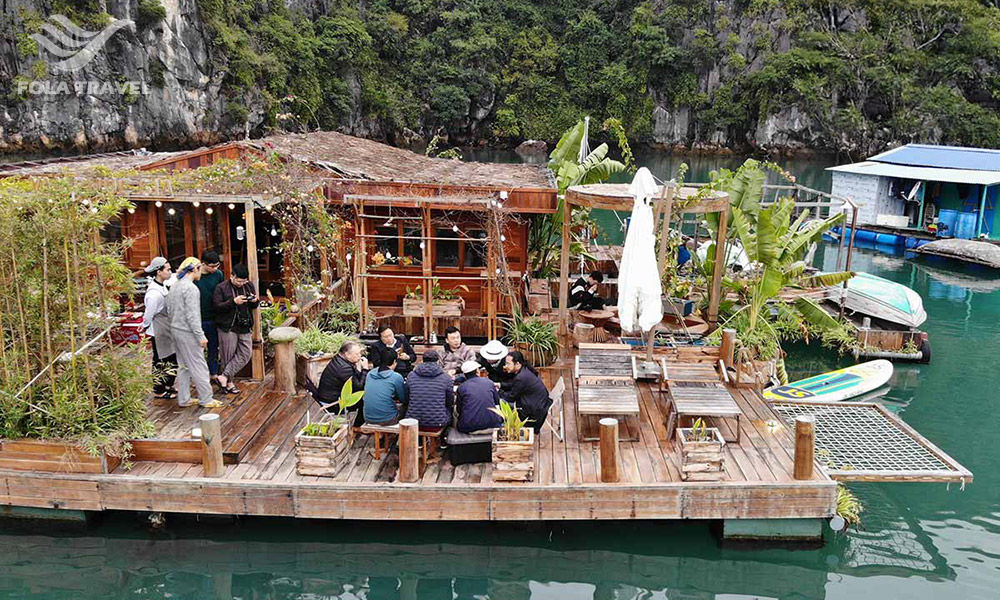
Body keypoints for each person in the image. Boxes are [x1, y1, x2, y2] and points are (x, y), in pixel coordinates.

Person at [167, 257, 221, 408]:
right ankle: (206, 399)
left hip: (175, 330)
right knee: (199, 365)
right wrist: (200, 336)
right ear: (195, 269)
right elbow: (193, 316)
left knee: (183, 366)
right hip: (188, 332)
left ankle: (184, 399)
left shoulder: (175, 286)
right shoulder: (191, 289)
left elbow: (169, 311)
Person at [213, 263, 259, 395]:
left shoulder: (248, 286)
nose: (241, 284)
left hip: (244, 324)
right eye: (239, 281)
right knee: (228, 354)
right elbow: (217, 307)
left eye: (244, 281)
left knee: (246, 353)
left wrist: (254, 301)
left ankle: (224, 376)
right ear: (232, 276)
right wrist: (233, 302)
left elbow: (255, 305)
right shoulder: (221, 288)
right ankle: (229, 382)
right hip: (228, 326)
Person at [140, 257, 176, 399]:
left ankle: (167, 384)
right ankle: (159, 389)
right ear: (159, 272)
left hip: (165, 327)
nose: (170, 271)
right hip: (158, 329)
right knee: (160, 360)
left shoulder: (162, 286)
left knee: (170, 358)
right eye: (167, 269)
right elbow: (149, 314)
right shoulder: (153, 293)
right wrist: (144, 326)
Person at [317, 340, 370, 422]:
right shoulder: (344, 368)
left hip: (328, 397)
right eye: (357, 354)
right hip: (333, 404)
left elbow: (354, 378)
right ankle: (357, 425)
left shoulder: (339, 359)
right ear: (347, 354)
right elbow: (359, 387)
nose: (359, 356)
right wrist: (365, 369)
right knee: (366, 399)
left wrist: (358, 367)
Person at [500, 350, 551, 432]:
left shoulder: (521, 378)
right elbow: (515, 385)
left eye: (508, 364)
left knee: (501, 402)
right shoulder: (525, 370)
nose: (506, 366)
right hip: (541, 403)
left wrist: (499, 392)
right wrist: (500, 385)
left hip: (533, 412)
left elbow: (511, 397)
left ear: (517, 364)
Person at [194, 250, 224, 386]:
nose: (215, 269)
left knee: (213, 346)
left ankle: (214, 373)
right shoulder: (195, 276)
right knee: (197, 349)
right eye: (212, 266)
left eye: (217, 265)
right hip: (197, 317)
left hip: (214, 316)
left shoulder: (218, 275)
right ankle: (197, 377)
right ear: (203, 264)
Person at [404, 349, 454, 429]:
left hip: (413, 420)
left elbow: (406, 398)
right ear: (438, 361)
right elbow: (449, 401)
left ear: (422, 360)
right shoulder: (446, 378)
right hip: (438, 421)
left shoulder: (411, 375)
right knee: (451, 411)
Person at [455, 361, 504, 433]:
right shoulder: (489, 382)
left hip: (468, 427)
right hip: (494, 424)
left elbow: (459, 409)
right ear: (477, 371)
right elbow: (497, 402)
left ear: (464, 375)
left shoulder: (461, 388)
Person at [363, 348, 407, 426]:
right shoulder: (396, 377)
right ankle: (394, 436)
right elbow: (403, 399)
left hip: (367, 417)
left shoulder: (370, 373)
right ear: (394, 361)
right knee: (405, 407)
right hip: (388, 419)